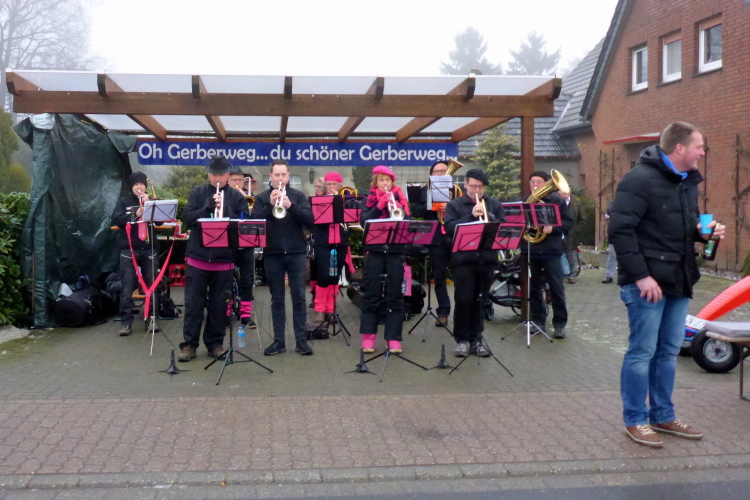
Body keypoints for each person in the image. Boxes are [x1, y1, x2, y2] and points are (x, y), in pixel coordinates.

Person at [610, 121, 724, 448]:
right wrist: (641, 276)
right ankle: (635, 419)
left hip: (679, 278)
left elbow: (680, 226)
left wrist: (702, 232)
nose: (703, 152)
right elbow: (621, 231)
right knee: (642, 352)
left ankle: (663, 414)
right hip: (646, 283)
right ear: (679, 148)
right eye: (699, 146)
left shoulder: (686, 182)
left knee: (669, 351)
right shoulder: (638, 180)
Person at [178, 156, 249, 362]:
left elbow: (244, 222)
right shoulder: (198, 193)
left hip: (223, 259)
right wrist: (207, 208)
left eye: (221, 174)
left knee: (219, 306)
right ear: (208, 174)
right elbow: (188, 219)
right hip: (198, 258)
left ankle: (215, 344)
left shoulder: (237, 197)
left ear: (228, 175)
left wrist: (226, 211)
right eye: (213, 174)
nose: (217, 178)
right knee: (193, 304)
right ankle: (189, 344)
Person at [251, 160, 315, 356]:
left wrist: (291, 206)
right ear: (271, 176)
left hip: (296, 253)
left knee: (299, 298)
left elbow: (310, 220)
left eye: (283, 175)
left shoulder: (298, 196)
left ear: (288, 175)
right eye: (276, 175)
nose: (280, 178)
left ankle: (301, 341)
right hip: (273, 254)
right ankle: (279, 341)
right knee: (277, 300)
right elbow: (254, 222)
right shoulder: (262, 197)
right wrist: (270, 206)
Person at [444, 169, 506, 357]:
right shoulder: (455, 205)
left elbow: (503, 227)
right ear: (466, 185)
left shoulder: (494, 204)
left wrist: (491, 220)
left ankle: (476, 339)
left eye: (480, 187)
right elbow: (449, 228)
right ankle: (461, 340)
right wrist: (471, 216)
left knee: (481, 301)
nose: (476, 190)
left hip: (487, 259)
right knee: (463, 300)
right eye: (473, 186)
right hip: (464, 260)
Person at [359, 165, 411, 354]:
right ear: (376, 182)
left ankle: (393, 337)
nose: (385, 183)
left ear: (392, 182)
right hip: (374, 251)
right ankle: (368, 336)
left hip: (395, 252)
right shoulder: (369, 200)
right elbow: (363, 221)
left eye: (387, 180)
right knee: (371, 294)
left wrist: (399, 210)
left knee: (396, 295)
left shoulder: (401, 199)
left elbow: (408, 223)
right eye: (381, 180)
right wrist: (379, 207)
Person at [526, 171, 574, 339]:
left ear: (546, 184)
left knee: (556, 288)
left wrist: (553, 228)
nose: (535, 185)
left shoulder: (557, 201)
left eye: (538, 182)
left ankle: (559, 324)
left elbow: (569, 222)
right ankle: (538, 321)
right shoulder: (526, 202)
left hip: (551, 250)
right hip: (531, 250)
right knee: (534, 289)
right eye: (532, 182)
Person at [111, 171, 158, 336]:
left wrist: (149, 204)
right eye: (136, 184)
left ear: (145, 186)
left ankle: (151, 319)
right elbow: (117, 220)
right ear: (131, 187)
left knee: (152, 285)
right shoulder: (123, 201)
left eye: (142, 184)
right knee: (127, 286)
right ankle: (126, 322)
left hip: (149, 247)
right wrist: (134, 214)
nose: (139, 187)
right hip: (129, 248)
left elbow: (160, 221)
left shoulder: (151, 200)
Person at [411, 161, 452, 326]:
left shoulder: (456, 190)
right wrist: (432, 206)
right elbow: (415, 211)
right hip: (436, 239)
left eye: (444, 171)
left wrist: (451, 206)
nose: (441, 174)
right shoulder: (425, 190)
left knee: (464, 276)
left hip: (455, 236)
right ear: (431, 174)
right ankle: (443, 312)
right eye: (437, 171)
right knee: (439, 277)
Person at [311, 172, 349, 323]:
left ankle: (331, 308)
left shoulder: (346, 201)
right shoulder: (319, 201)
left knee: (335, 276)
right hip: (323, 242)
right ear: (325, 186)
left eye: (335, 184)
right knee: (324, 275)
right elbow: (313, 221)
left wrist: (341, 202)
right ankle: (320, 309)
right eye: (329, 184)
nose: (332, 187)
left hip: (340, 242)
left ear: (340, 186)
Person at [228, 165, 256, 328]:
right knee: (225, 279)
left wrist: (246, 201)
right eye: (235, 180)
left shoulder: (249, 198)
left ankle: (246, 315)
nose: (238, 183)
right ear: (228, 180)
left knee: (247, 280)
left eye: (240, 180)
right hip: (228, 243)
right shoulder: (223, 197)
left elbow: (253, 219)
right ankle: (226, 313)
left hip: (246, 243)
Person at [559, 189, 585, 284]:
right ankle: (562, 274)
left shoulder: (576, 203)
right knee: (558, 255)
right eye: (562, 192)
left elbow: (583, 219)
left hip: (571, 234)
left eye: (566, 192)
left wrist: (576, 230)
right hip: (558, 233)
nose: (564, 194)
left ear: (569, 192)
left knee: (571, 255)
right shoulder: (556, 202)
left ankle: (572, 275)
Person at [602, 201, 617, 284]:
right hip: (613, 234)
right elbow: (609, 210)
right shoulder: (613, 203)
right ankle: (609, 276)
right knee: (612, 256)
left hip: (627, 235)